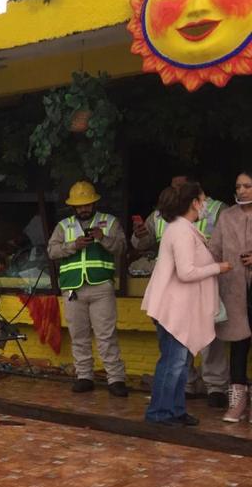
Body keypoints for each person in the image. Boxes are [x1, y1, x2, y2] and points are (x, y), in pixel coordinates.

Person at [132, 174, 229, 407]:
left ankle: (174, 410)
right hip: (173, 308)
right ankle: (162, 412)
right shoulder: (181, 230)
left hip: (181, 305)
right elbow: (186, 272)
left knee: (177, 363)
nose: (206, 204)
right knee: (173, 364)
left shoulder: (183, 228)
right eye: (202, 200)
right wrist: (219, 267)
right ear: (193, 202)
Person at [47, 180, 128, 396]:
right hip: (73, 287)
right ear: (73, 206)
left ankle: (116, 378)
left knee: (106, 335)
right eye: (80, 205)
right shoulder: (64, 226)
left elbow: (121, 247)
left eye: (87, 204)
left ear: (94, 203)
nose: (84, 209)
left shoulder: (109, 222)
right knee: (78, 335)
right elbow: (52, 251)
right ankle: (84, 376)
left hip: (101, 285)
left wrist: (103, 239)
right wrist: (72, 246)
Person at [209, 170, 252, 423]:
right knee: (238, 346)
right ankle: (237, 402)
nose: (242, 191)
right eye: (239, 186)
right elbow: (214, 251)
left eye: (247, 186)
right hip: (234, 290)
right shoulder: (226, 217)